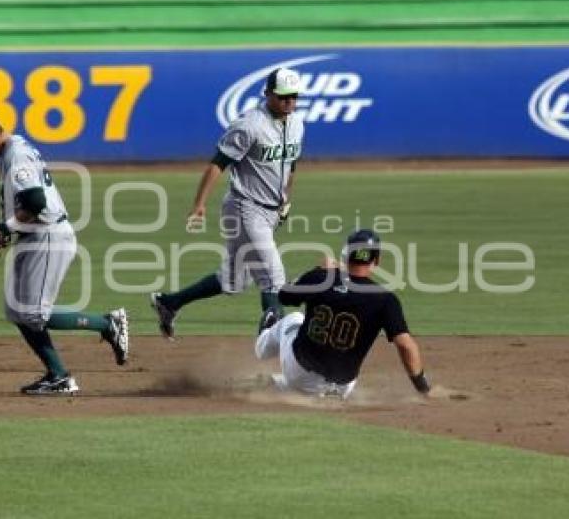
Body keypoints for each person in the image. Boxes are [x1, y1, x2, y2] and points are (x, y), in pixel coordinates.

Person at [0, 109, 129, 396]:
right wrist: (5, 228)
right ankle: (58, 375)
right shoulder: (12, 151)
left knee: (33, 313)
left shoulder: (17, 156)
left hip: (48, 238)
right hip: (33, 237)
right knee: (16, 310)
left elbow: (36, 202)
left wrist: (4, 228)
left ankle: (108, 324)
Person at [150, 67, 304, 339]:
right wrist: (199, 204)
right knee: (274, 278)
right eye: (283, 96)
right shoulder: (249, 125)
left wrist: (286, 202)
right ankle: (270, 343)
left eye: (293, 96)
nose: (289, 102)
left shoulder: (296, 124)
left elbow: (291, 165)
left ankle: (169, 303)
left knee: (233, 281)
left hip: (270, 210)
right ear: (267, 94)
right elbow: (217, 164)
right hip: (245, 207)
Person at [255, 229, 431, 399]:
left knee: (293, 318)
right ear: (376, 261)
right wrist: (422, 386)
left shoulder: (321, 278)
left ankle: (262, 348)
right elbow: (406, 346)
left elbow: (284, 296)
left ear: (346, 254)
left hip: (299, 373)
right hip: (342, 388)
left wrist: (318, 270)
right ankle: (283, 386)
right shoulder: (386, 300)